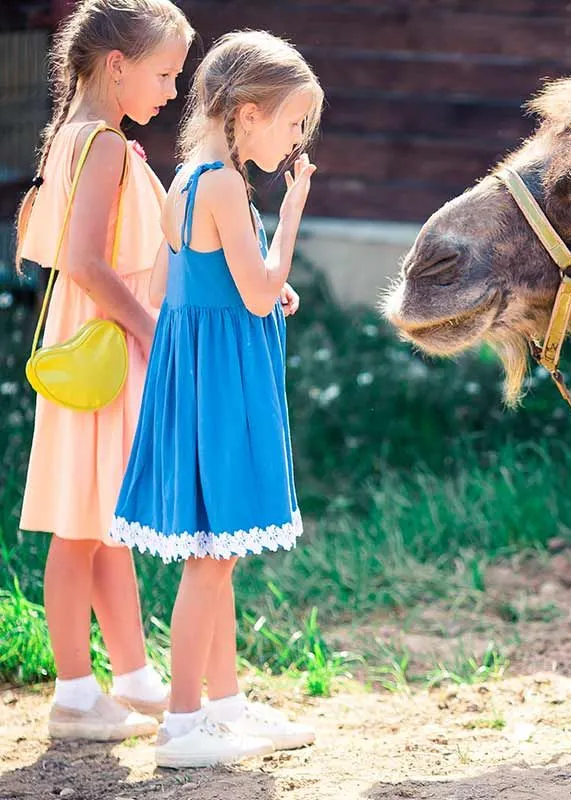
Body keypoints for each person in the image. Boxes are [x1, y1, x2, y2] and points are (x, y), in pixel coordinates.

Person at [110, 29, 322, 769]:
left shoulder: (191, 178)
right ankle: (182, 722)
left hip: (201, 376)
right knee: (212, 557)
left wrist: (265, 285)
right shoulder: (228, 185)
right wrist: (293, 211)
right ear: (248, 113)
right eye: (294, 123)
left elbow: (203, 287)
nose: (298, 142)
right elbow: (258, 290)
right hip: (224, 385)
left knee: (220, 549)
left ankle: (224, 704)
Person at [14, 0, 193, 741]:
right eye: (163, 73)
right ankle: (76, 695)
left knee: (102, 519)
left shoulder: (75, 137)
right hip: (109, 348)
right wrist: (153, 331)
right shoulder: (106, 147)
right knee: (79, 529)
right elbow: (87, 262)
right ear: (117, 66)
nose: (173, 91)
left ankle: (133, 676)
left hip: (95, 342)